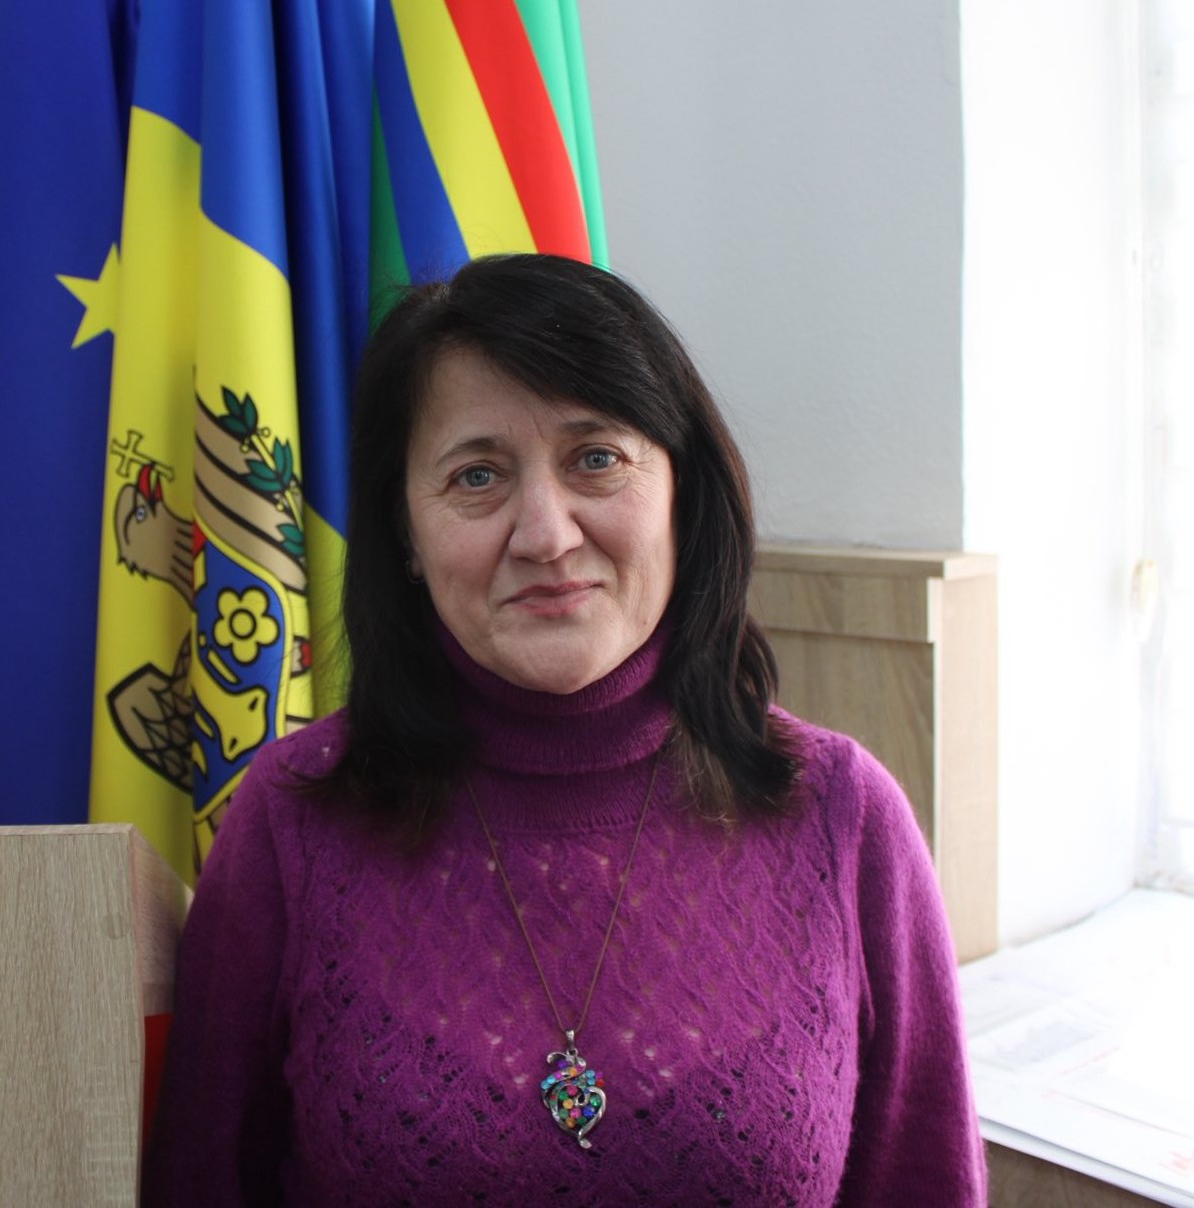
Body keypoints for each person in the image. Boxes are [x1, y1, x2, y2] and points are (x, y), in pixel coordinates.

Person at [142, 254, 987, 1206]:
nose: (546, 534)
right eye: (476, 476)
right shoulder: (293, 820)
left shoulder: (843, 815)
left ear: (682, 493)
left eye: (596, 459)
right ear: (405, 534)